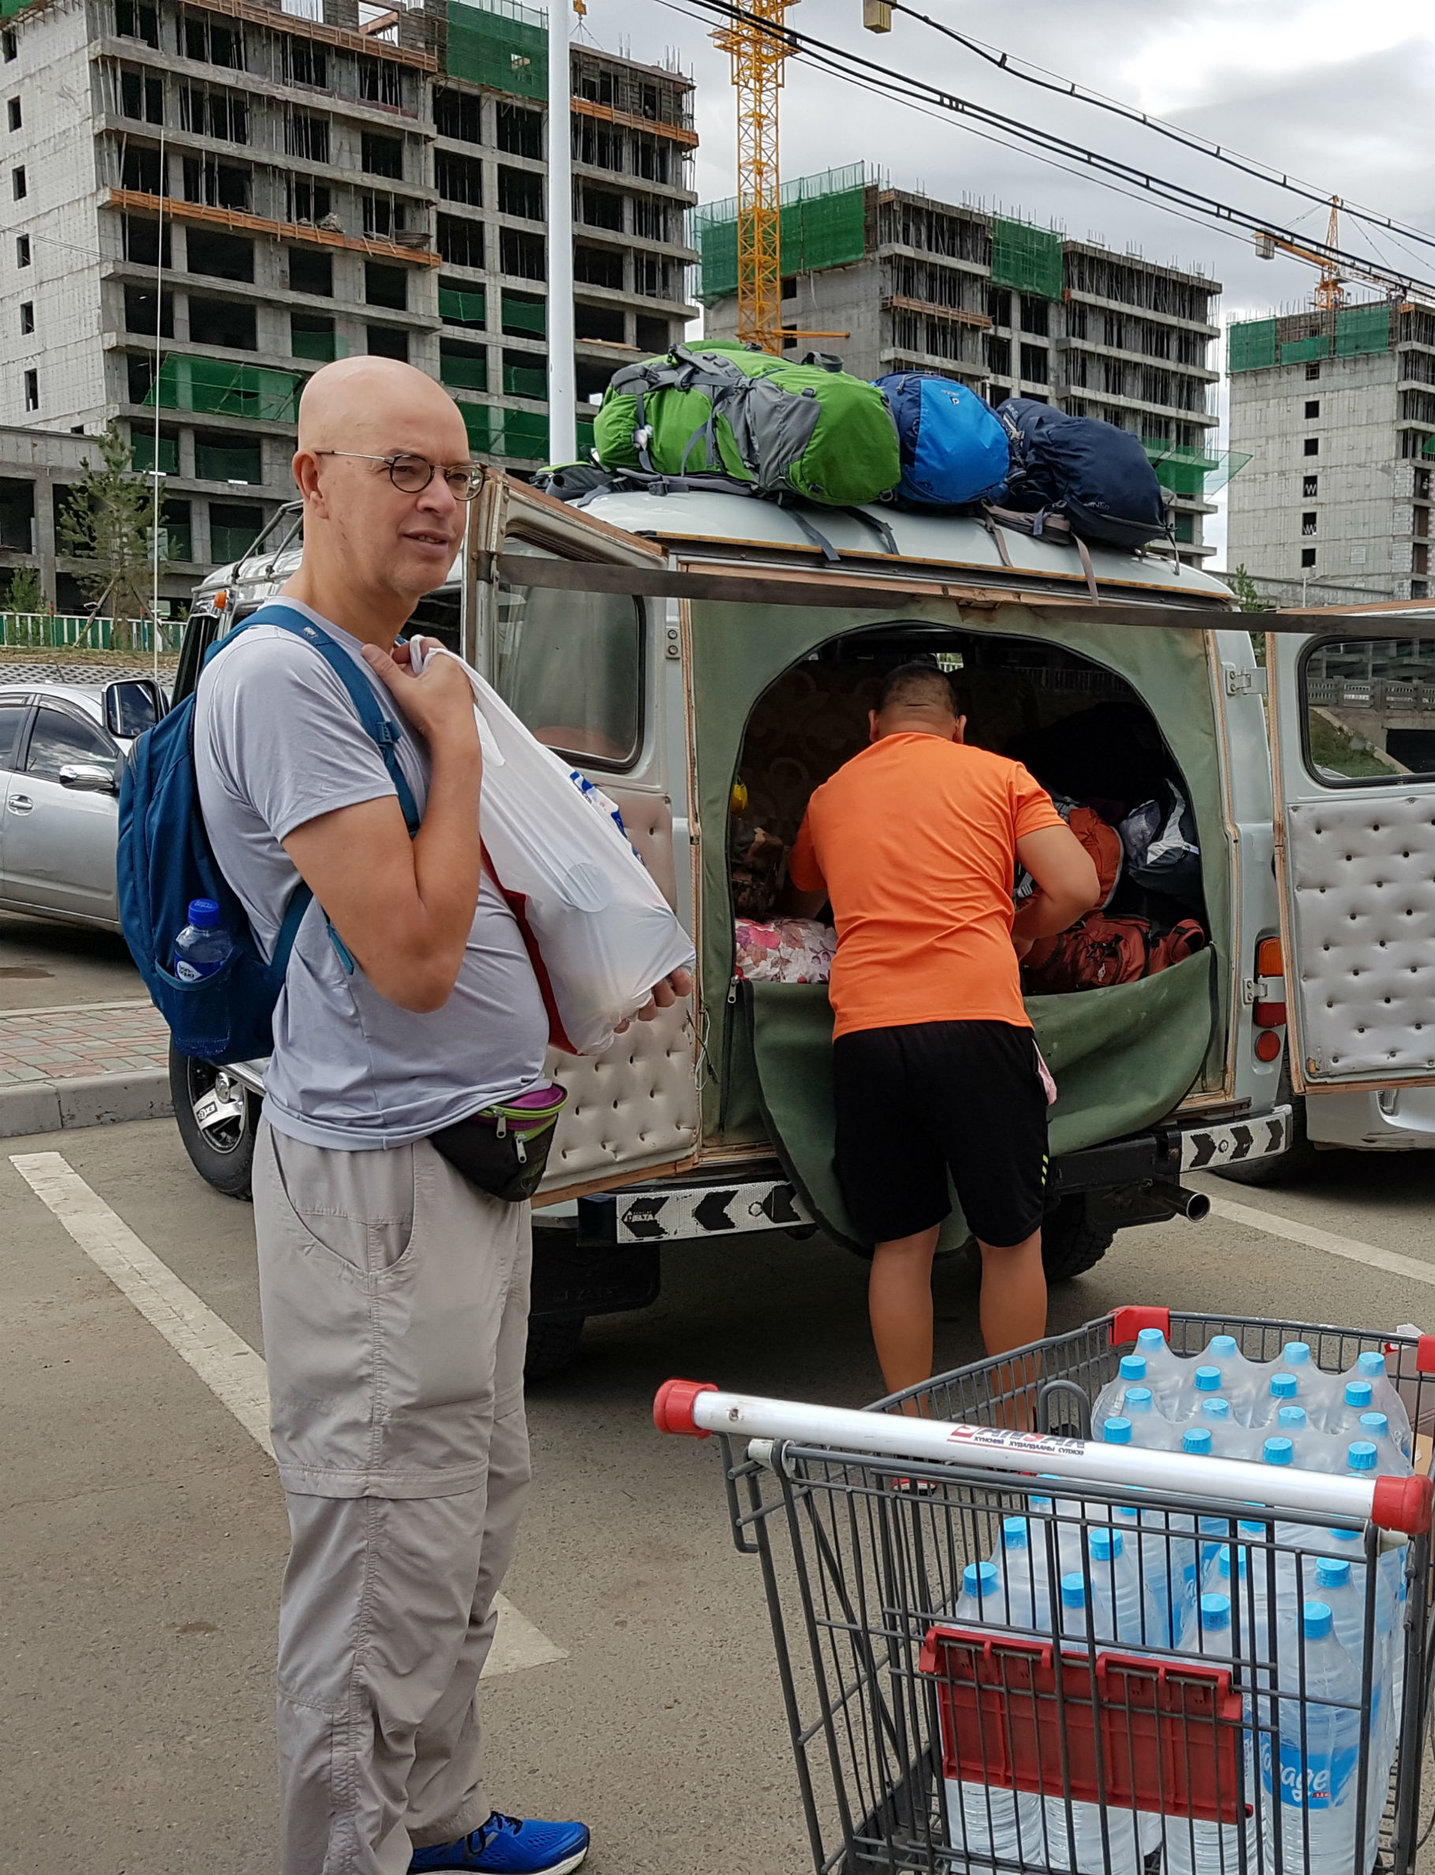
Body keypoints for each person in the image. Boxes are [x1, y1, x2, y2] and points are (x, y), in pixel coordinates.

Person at [194, 358, 690, 1875]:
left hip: (467, 1158)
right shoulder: (286, 675)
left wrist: (584, 978)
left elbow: (462, 916)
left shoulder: (398, 663)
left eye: (458, 473)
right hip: (377, 1187)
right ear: (311, 478)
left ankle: (441, 1812)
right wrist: (464, 745)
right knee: (375, 1541)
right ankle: (355, 1852)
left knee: (462, 1519)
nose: (439, 501)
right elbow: (408, 957)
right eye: (401, 468)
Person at [783, 659, 1101, 1392]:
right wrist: (1021, 925)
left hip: (867, 1031)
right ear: (959, 728)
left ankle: (912, 1445)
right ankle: (1013, 1442)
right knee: (1010, 1241)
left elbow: (801, 901)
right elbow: (1079, 885)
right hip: (979, 1021)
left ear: (872, 727)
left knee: (901, 1245)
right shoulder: (1000, 775)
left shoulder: (831, 793)